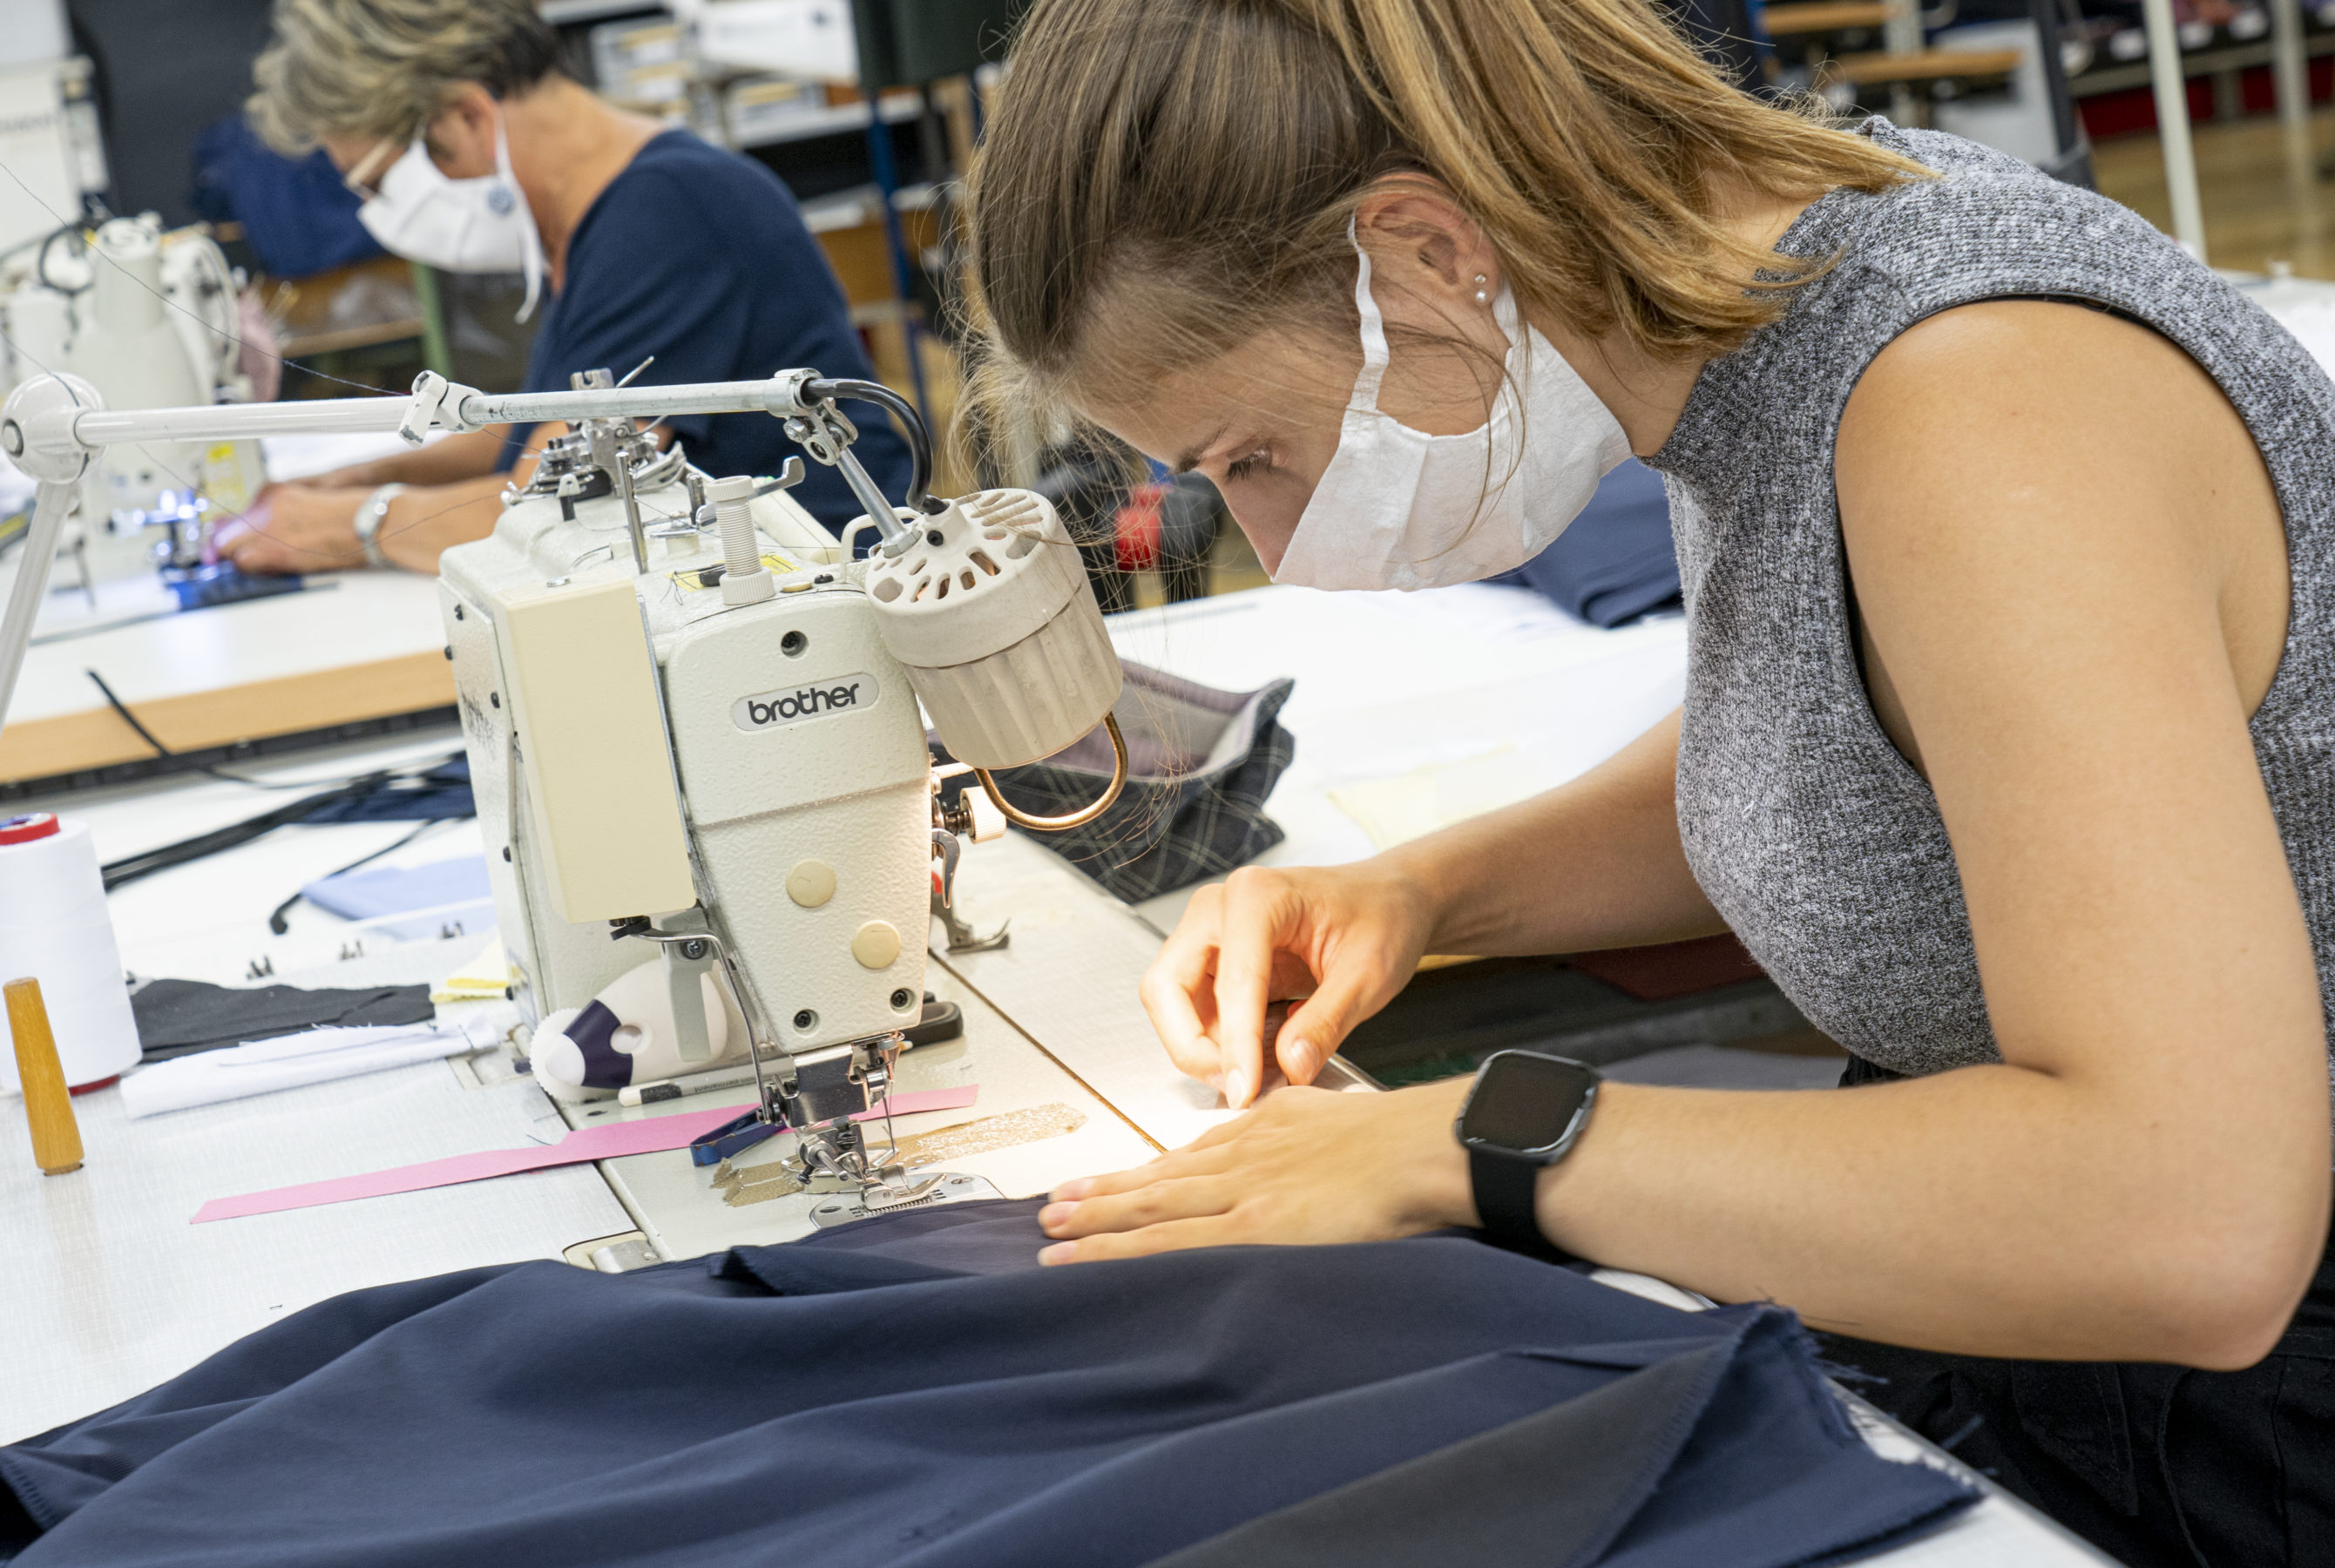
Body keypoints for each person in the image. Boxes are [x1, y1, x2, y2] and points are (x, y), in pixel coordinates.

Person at [962, 0, 2335, 1563]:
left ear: (1425, 251)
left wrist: (1476, 1137)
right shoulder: (1764, 311)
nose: (1272, 545)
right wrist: (1425, 891)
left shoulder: (1975, 394)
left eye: (1251, 456)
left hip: (2254, 1429)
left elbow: (2188, 1219)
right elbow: (1890, 740)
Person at [233, 0, 911, 574]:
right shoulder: (594, 220)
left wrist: (355, 524)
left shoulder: (666, 213)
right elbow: (535, 436)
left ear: (466, 117)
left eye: (377, 183)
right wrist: (366, 478)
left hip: (823, 589)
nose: (379, 212)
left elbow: (556, 513)